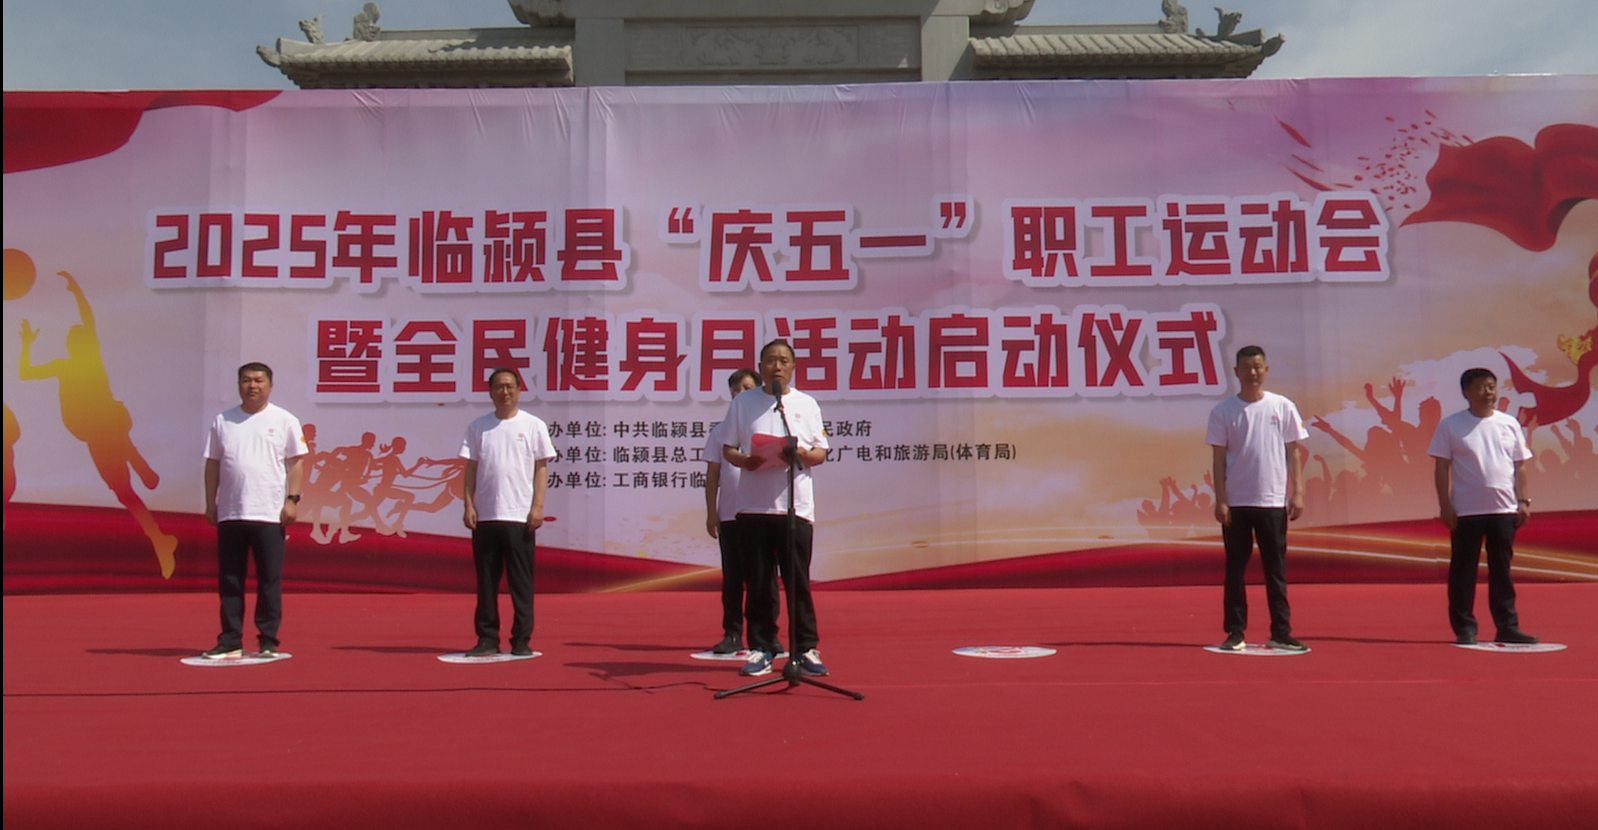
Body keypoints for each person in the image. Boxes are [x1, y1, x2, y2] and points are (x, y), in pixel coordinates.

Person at [721, 340, 830, 676]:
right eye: (770, 360)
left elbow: (821, 451)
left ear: (793, 367)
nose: (777, 366)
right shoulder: (743, 403)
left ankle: (806, 648)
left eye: (783, 360)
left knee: (797, 581)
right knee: (758, 582)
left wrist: (800, 454)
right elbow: (728, 448)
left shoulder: (805, 404)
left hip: (794, 508)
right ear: (760, 366)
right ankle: (762, 647)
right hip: (753, 507)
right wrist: (745, 460)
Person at [201, 363, 308, 658]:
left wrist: (292, 500)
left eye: (259, 381)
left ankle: (268, 639)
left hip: (269, 512)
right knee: (230, 579)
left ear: (270, 386)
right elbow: (212, 464)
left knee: (269, 579)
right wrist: (211, 502)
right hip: (231, 512)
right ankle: (230, 639)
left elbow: (296, 462)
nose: (253, 386)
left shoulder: (284, 420)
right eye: (246, 380)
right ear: (239, 385)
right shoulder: (223, 421)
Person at [1206, 345, 1309, 651]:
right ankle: (1235, 631)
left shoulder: (1282, 406)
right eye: (1246, 367)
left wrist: (1297, 492)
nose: (1252, 372)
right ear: (1236, 372)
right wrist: (1221, 499)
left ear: (1266, 370)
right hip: (1237, 502)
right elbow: (1219, 459)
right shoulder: (1223, 411)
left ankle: (1281, 630)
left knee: (1275, 570)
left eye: (1257, 366)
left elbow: (1294, 453)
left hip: (1272, 501)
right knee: (1235, 571)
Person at [1427, 368, 1537, 645]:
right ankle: (1465, 627)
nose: (1488, 392)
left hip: (1504, 509)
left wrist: (1523, 500)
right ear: (1466, 392)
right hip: (1466, 511)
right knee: (1463, 571)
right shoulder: (1451, 425)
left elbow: (1520, 465)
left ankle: (1507, 626)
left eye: (1491, 386)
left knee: (1502, 571)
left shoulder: (1508, 423)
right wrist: (1445, 505)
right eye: (1480, 387)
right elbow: (1441, 468)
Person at [459, 368, 555, 657]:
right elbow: (471, 468)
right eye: (499, 387)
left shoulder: (533, 425)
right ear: (490, 392)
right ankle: (487, 638)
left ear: (519, 391)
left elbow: (541, 468)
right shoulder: (478, 427)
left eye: (510, 386)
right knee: (486, 583)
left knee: (520, 582)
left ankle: (521, 639)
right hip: (486, 516)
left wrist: (537, 506)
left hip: (519, 516)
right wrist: (468, 504)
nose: (505, 392)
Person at [704, 367, 761, 654]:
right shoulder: (720, 432)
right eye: (735, 390)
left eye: (747, 388)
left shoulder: (764, 427)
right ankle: (732, 633)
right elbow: (713, 474)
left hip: (760, 513)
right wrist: (711, 512)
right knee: (733, 579)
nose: (740, 394)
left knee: (760, 579)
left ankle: (763, 635)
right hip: (729, 516)